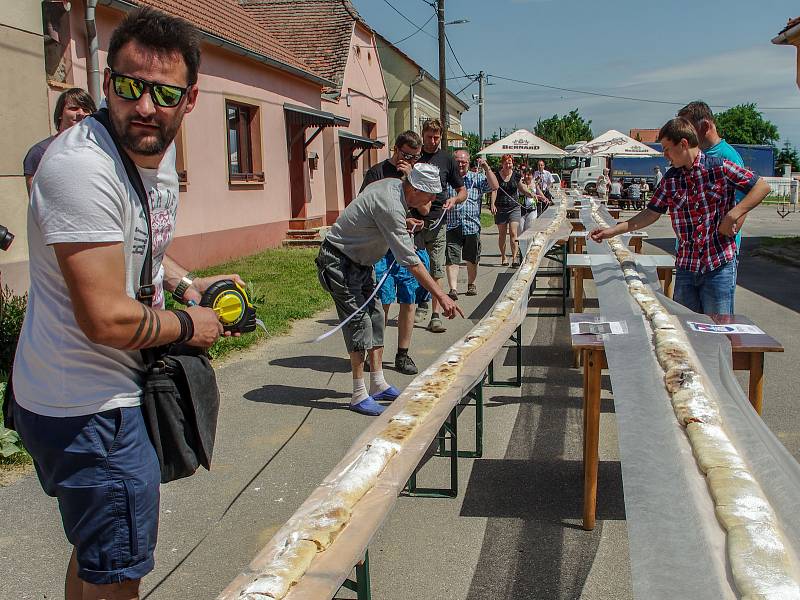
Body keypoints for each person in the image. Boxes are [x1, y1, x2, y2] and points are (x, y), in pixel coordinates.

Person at [11, 8, 242, 599]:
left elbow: (139, 247)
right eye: (129, 86)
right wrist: (190, 323)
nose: (144, 106)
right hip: (89, 405)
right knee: (119, 573)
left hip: (95, 395)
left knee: (99, 553)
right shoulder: (83, 167)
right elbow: (106, 319)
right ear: (107, 82)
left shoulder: (152, 156)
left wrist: (187, 283)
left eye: (163, 93)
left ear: (189, 100)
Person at [317, 163, 463, 416]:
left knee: (375, 317)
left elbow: (372, 219)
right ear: (416, 189)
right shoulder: (391, 203)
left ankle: (378, 383)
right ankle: (358, 393)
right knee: (359, 322)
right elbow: (411, 261)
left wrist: (401, 223)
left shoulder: (397, 191)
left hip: (361, 261)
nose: (431, 202)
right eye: (430, 195)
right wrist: (441, 295)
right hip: (339, 260)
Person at [589, 117, 770, 315]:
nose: (665, 155)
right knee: (686, 329)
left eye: (667, 148)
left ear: (683, 143)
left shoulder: (720, 168)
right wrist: (612, 231)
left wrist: (733, 214)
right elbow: (650, 213)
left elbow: (761, 186)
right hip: (686, 266)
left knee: (719, 331)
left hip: (718, 266)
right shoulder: (671, 179)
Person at [361, 130, 429, 375]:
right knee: (383, 301)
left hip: (410, 244)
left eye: (415, 157)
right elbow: (365, 207)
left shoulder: (416, 173)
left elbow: (425, 207)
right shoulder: (376, 173)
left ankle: (403, 354)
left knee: (408, 300)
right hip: (383, 248)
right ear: (395, 149)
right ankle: (375, 353)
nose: (410, 160)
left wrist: (411, 177)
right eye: (406, 155)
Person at [678, 100, 746, 310]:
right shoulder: (695, 155)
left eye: (689, 129)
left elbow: (745, 198)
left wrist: (731, 221)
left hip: (718, 256)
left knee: (717, 321)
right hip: (692, 255)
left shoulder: (727, 157)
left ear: (705, 127)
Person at [414, 119, 466, 334]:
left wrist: (454, 200)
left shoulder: (447, 159)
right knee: (416, 265)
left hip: (439, 219)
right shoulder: (415, 156)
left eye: (437, 137)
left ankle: (435, 316)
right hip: (415, 220)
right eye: (429, 137)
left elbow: (462, 190)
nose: (433, 141)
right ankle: (421, 302)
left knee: (436, 266)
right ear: (422, 135)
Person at [445, 149, 498, 298]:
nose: (460, 164)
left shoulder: (477, 178)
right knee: (452, 258)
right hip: (452, 224)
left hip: (472, 225)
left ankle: (471, 284)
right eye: (457, 162)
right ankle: (453, 289)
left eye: (463, 161)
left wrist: (487, 168)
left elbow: (494, 186)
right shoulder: (448, 179)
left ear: (469, 162)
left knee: (472, 258)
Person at [23, 88, 97, 194]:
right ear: (60, 114)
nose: (81, 113)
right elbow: (36, 200)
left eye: (86, 109)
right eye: (73, 108)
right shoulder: (39, 152)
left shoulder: (99, 149)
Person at [490, 154, 526, 267]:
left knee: (513, 233)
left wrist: (531, 194)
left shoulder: (516, 175)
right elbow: (494, 190)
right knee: (502, 234)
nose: (508, 165)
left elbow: (521, 188)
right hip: (500, 207)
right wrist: (492, 204)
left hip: (514, 207)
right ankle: (504, 257)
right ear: (502, 164)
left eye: (510, 162)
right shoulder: (496, 176)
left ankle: (515, 258)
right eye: (506, 163)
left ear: (512, 163)